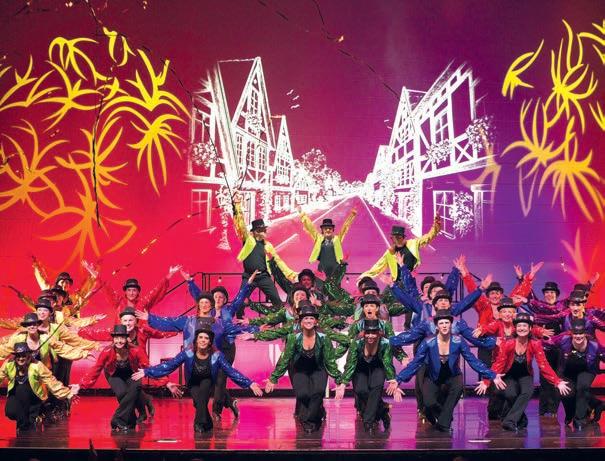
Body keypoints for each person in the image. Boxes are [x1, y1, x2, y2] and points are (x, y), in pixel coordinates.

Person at [133, 322, 262, 433]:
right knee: (198, 402)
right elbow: (169, 365)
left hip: (208, 380)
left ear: (210, 341)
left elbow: (231, 371)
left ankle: (198, 424)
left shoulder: (217, 355)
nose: (203, 340)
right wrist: (147, 372)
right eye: (200, 337)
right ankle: (208, 423)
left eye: (206, 338)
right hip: (193, 381)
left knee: (203, 395)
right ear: (196, 340)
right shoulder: (187, 353)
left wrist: (249, 383)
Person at [389, 309, 500, 432]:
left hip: (453, 375)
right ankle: (442, 416)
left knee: (457, 390)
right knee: (429, 402)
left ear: (451, 325)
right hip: (433, 376)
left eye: (447, 323)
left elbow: (472, 360)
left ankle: (444, 424)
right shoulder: (428, 342)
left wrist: (492, 375)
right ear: (436, 326)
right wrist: (399, 379)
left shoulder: (458, 341)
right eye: (441, 323)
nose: (444, 326)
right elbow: (415, 363)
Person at [477, 313, 571, 431]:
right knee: (511, 394)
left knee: (528, 391)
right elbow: (499, 363)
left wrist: (557, 381)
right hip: (509, 375)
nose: (522, 328)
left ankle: (509, 421)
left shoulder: (535, 344)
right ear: (515, 328)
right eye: (519, 326)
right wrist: (487, 381)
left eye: (525, 326)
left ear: (530, 328)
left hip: (525, 374)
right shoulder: (508, 344)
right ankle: (522, 419)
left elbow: (544, 365)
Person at [79, 325, 177, 432]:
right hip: (114, 374)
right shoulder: (107, 351)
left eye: (122, 338)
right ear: (113, 339)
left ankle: (118, 419)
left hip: (132, 373)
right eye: (116, 338)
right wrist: (81, 385)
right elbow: (96, 368)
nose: (119, 341)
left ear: (127, 338)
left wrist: (166, 382)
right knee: (122, 393)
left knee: (135, 389)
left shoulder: (136, 350)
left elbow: (148, 367)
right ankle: (132, 418)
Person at [265, 301, 341, 433]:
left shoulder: (324, 337)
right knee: (303, 394)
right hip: (300, 369)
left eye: (311, 318)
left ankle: (308, 421)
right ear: (301, 321)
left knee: (318, 392)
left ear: (316, 321)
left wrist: (339, 380)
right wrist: (274, 378)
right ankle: (317, 411)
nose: (309, 321)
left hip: (318, 368)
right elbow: (285, 359)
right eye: (306, 318)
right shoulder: (293, 337)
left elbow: (330, 361)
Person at [335, 319, 401, 432]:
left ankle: (368, 422)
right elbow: (351, 363)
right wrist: (343, 383)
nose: (370, 336)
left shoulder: (385, 343)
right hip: (360, 368)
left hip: (378, 367)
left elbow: (387, 362)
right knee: (361, 390)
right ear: (363, 333)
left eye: (373, 333)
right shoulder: (356, 343)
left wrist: (392, 379)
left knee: (375, 389)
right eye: (368, 333)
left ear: (378, 333)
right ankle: (383, 410)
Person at [232, 192, 296, 308]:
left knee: (277, 301)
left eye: (264, 229)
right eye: (261, 230)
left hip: (263, 276)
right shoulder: (248, 240)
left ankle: (279, 317)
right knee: (240, 300)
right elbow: (241, 225)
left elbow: (278, 261)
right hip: (249, 276)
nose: (264, 232)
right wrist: (237, 205)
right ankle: (238, 317)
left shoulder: (268, 245)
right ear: (254, 232)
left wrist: (290, 274)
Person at [0, 342, 78, 432]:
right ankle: (28, 422)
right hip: (15, 396)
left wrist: (67, 394)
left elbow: (51, 381)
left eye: (23, 356)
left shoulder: (37, 365)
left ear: (29, 356)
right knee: (10, 412)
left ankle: (28, 426)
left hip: (33, 397)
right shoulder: (9, 364)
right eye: (18, 356)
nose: (21, 358)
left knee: (27, 427)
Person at [545, 320, 605, 429]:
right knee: (566, 392)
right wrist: (537, 333)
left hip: (587, 370)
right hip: (568, 372)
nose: (578, 336)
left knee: (582, 387)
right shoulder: (564, 340)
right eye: (575, 333)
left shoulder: (594, 345)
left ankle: (580, 419)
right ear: (571, 333)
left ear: (585, 333)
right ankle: (593, 405)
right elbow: (545, 344)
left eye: (581, 333)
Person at [360, 217, 441, 282]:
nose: (397, 239)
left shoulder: (413, 243)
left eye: (399, 237)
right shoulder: (389, 253)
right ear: (391, 238)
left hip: (409, 281)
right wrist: (363, 278)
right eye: (394, 237)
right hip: (396, 283)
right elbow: (377, 267)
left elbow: (428, 237)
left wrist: (436, 226)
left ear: (403, 237)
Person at [297, 205, 357, 278]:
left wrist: (352, 215)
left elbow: (345, 227)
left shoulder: (337, 239)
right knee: (321, 281)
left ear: (332, 230)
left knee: (334, 282)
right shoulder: (318, 238)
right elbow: (310, 227)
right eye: (325, 228)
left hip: (335, 266)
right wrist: (302, 213)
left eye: (330, 228)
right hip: (322, 267)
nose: (328, 230)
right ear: (322, 230)